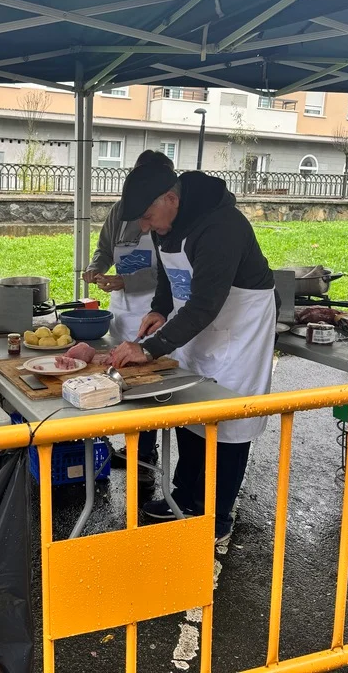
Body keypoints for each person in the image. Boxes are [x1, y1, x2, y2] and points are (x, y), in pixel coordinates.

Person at [110, 164, 277, 543]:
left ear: (171, 199)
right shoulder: (167, 224)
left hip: (240, 327)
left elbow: (205, 304)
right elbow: (169, 278)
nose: (146, 228)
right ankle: (184, 499)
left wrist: (148, 348)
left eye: (148, 217)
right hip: (197, 323)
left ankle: (217, 518)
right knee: (190, 410)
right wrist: (159, 309)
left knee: (230, 422)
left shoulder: (222, 226)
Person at [83, 149, 174, 486]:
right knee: (118, 377)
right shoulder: (119, 211)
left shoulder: (169, 220)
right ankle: (120, 442)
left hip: (153, 307)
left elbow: (166, 272)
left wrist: (129, 280)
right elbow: (105, 248)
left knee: (149, 384)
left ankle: (145, 454)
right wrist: (96, 267)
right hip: (122, 308)